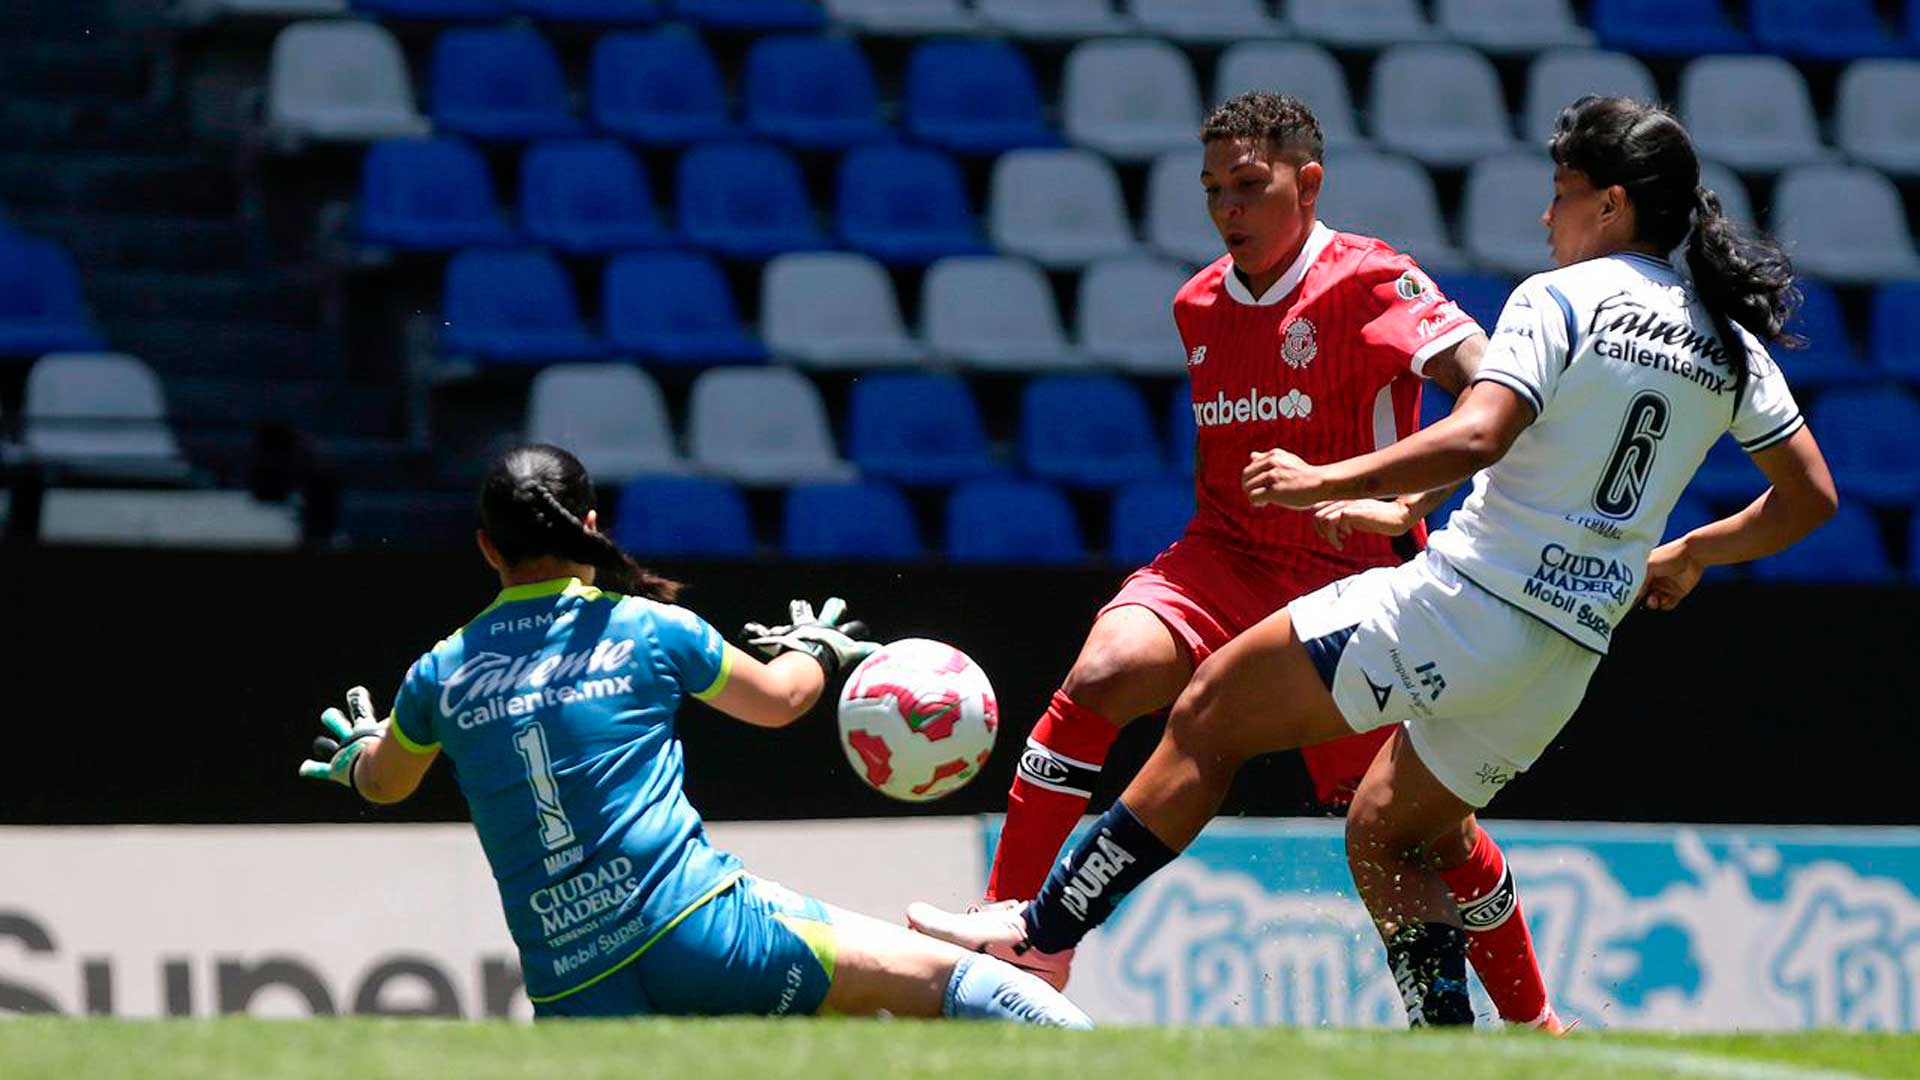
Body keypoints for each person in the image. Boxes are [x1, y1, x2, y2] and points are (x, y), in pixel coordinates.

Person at [908, 95, 1838, 1028]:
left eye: (1560, 195)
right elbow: (1810, 499)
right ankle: (1467, 1047)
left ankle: (1044, 934)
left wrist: (1325, 482)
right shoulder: (1730, 343)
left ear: (1611, 204)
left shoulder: (1558, 299)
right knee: (1388, 837)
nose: (1544, 218)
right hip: (1564, 659)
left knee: (1210, 716)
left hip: (1464, 603)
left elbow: (1477, 433)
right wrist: (1690, 552)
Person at [929, 90, 1562, 1030]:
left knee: (1420, 833)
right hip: (1219, 559)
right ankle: (1022, 942)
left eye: (1250, 187)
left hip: (1353, 585)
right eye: (1213, 190)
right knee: (1106, 672)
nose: (1229, 209)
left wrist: (1406, 501)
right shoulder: (1196, 305)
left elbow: (1493, 408)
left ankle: (1532, 1024)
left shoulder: (1376, 281)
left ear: (1307, 184)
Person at [298, 444, 1091, 1027]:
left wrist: (361, 752)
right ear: (593, 527)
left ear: (485, 546)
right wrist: (815, 645)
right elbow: (781, 702)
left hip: (576, 994)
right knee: (961, 985)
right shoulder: (647, 628)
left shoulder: (441, 673)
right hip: (705, 933)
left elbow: (384, 781)